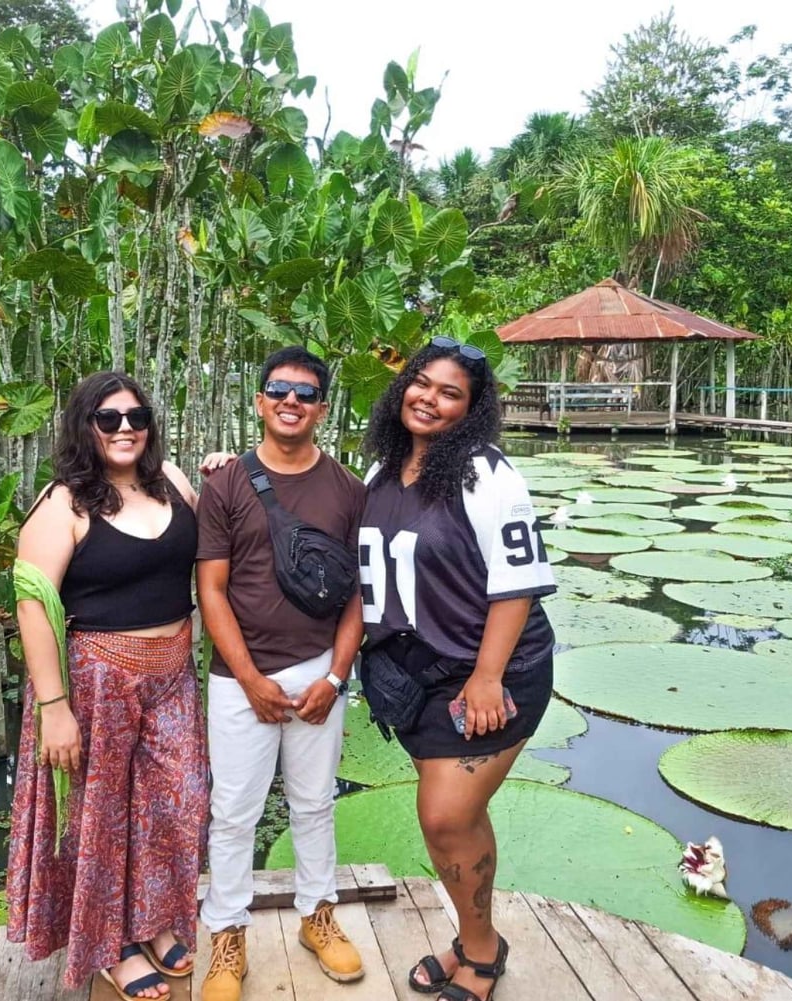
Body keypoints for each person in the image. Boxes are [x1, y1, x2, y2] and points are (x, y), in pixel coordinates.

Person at [358, 337, 557, 1001]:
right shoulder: (381, 474)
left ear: (471, 410)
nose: (430, 398)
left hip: (495, 671)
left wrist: (488, 676)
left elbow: (517, 582)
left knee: (445, 816)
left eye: (451, 393)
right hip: (416, 675)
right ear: (403, 387)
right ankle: (474, 937)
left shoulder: (485, 473)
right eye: (423, 382)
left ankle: (481, 951)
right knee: (460, 819)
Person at [7, 371, 208, 1001]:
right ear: (84, 427)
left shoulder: (172, 482)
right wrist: (53, 708)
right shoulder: (63, 503)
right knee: (99, 820)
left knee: (177, 801)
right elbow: (32, 603)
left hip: (172, 672)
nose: (125, 429)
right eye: (109, 418)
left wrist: (229, 469)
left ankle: (151, 920)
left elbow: (217, 542)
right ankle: (111, 946)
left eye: (137, 417)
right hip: (96, 680)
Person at [196, 346, 367, 1001]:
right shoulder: (226, 483)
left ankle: (318, 915)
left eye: (305, 393)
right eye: (279, 391)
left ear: (321, 407)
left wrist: (337, 676)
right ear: (260, 401)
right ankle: (228, 935)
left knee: (315, 803)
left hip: (319, 670)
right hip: (240, 679)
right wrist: (249, 678)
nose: (291, 401)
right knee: (235, 812)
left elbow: (356, 595)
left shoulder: (349, 490)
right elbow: (210, 589)